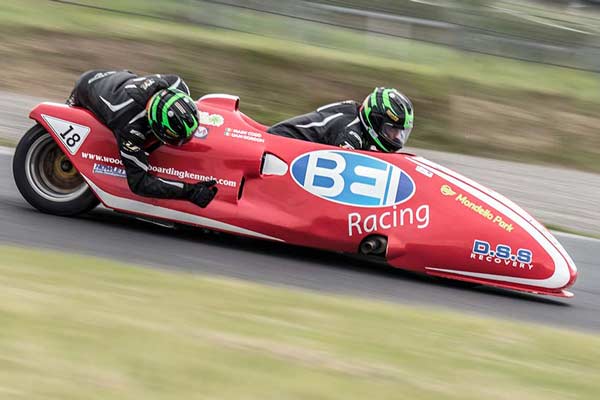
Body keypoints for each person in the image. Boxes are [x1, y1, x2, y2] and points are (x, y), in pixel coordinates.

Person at [67, 69, 217, 208]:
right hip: (86, 89)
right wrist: (190, 192)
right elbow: (139, 184)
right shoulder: (130, 126)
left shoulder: (177, 84)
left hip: (121, 78)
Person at [268, 87, 414, 153]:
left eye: (400, 132)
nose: (396, 137)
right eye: (391, 130)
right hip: (278, 145)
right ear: (375, 121)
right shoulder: (351, 135)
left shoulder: (356, 115)